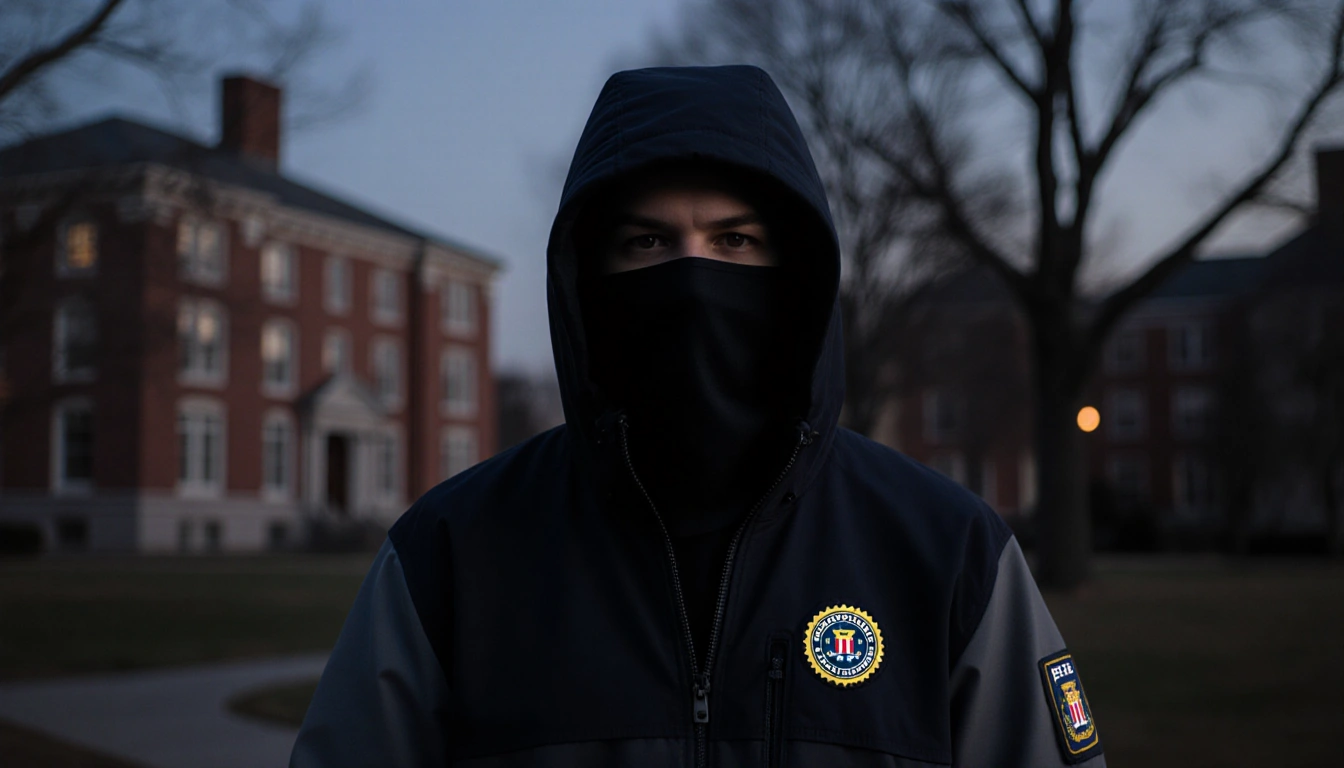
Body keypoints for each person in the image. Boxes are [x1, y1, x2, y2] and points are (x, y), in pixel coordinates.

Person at [291, 65, 1105, 768]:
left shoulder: (946, 550)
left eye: (734, 240)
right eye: (648, 242)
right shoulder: (452, 554)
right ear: (588, 275)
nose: (691, 278)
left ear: (797, 271)